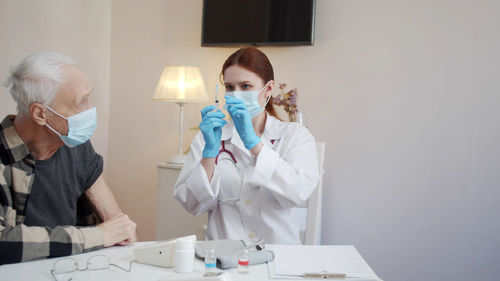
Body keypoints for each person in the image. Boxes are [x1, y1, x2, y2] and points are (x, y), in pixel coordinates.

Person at [0, 52, 137, 265]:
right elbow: (3, 242)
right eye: (81, 102)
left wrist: (122, 234)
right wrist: (98, 236)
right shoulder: (4, 154)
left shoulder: (77, 147)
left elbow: (119, 228)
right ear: (40, 114)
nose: (91, 110)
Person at [174, 47, 319, 245]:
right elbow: (191, 204)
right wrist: (209, 154)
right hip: (223, 255)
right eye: (230, 87)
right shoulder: (210, 137)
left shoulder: (294, 135)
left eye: (246, 86)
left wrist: (254, 144)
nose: (236, 95)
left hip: (279, 254)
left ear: (268, 89)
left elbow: (297, 194)